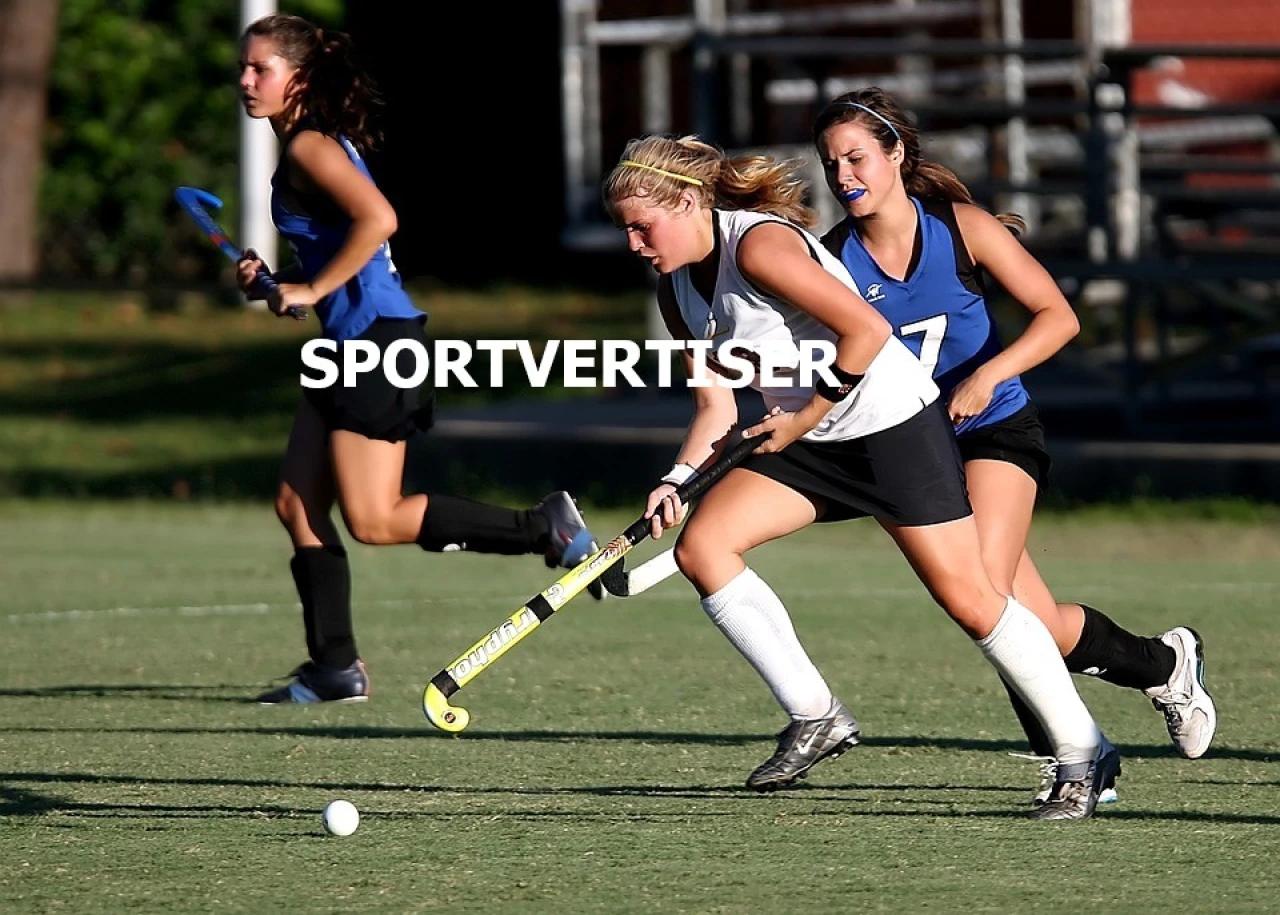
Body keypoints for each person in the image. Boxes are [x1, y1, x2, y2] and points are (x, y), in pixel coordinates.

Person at [604, 134, 1118, 820]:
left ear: (693, 201)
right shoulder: (677, 293)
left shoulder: (758, 246)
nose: (635, 244)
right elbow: (716, 408)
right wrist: (678, 478)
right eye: (626, 231)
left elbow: (868, 331)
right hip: (810, 439)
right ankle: (815, 715)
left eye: (644, 226)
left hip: (889, 425)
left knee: (971, 598)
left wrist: (803, 414)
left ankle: (1085, 750)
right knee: (703, 546)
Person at [810, 87, 1216, 798]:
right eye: (831, 163)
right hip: (914, 449)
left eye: (857, 157)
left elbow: (1058, 317)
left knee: (986, 593)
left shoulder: (961, 228)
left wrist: (986, 375)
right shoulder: (832, 260)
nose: (844, 176)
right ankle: (1162, 664)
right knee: (1037, 623)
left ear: (896, 154)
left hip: (996, 427)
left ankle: (1080, 761)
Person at [235, 13, 601, 704]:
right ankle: (334, 668)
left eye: (262, 69)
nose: (246, 81)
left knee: (373, 519)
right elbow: (344, 243)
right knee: (296, 501)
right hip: (345, 343)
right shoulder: (309, 145)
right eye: (245, 68)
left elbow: (380, 221)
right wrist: (280, 279)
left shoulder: (312, 146)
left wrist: (311, 287)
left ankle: (542, 528)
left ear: (300, 78)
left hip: (375, 344)